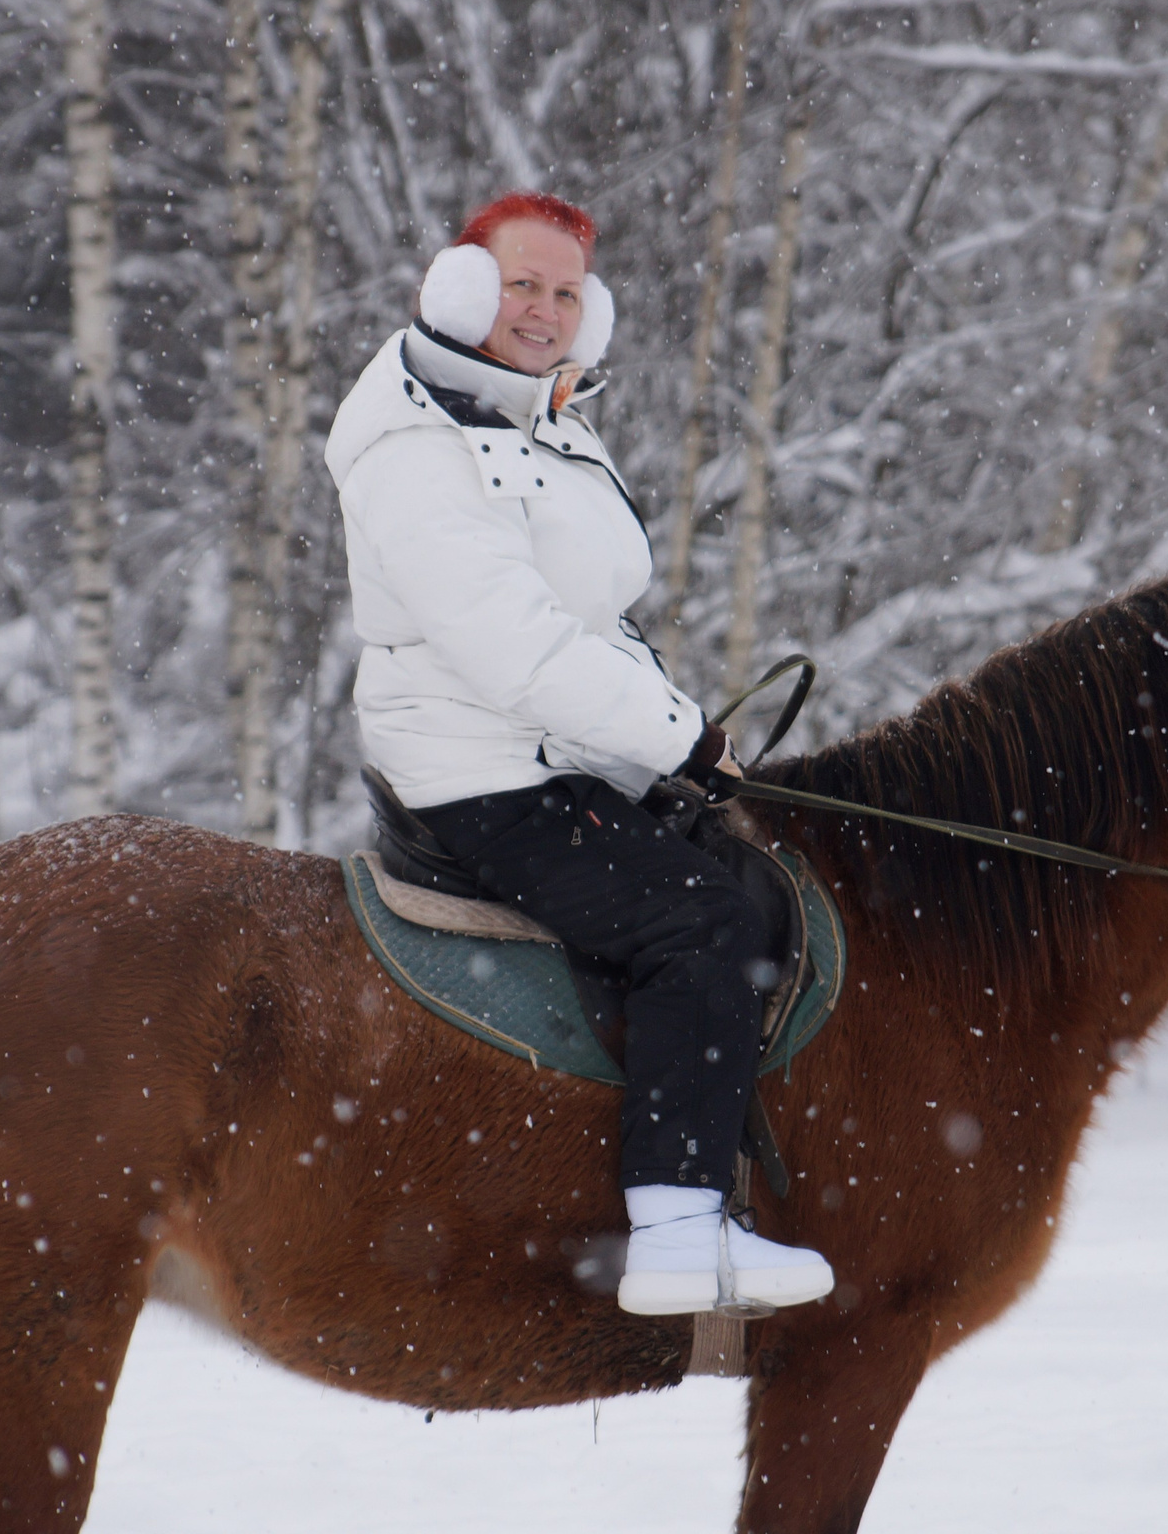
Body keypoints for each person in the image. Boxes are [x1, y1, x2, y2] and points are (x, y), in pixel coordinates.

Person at [323, 191, 835, 1318]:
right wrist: (676, 738)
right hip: (482, 775)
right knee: (694, 920)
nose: (543, 311)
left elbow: (593, 620)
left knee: (755, 883)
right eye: (521, 285)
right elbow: (517, 651)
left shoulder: (539, 420)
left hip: (557, 754)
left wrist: (679, 737)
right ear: (460, 289)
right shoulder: (417, 444)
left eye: (564, 292)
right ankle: (677, 1230)